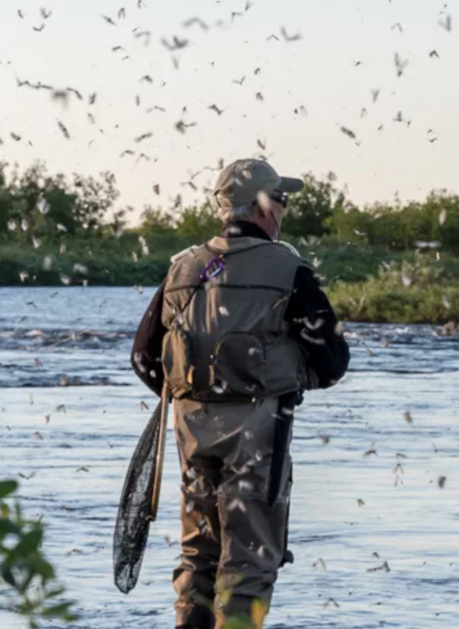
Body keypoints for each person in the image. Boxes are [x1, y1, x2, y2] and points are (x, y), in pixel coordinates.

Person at [130, 159, 350, 629]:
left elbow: (143, 359)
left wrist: (196, 396)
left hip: (190, 433)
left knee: (199, 562)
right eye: (282, 200)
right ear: (265, 207)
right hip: (259, 434)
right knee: (249, 565)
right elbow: (333, 362)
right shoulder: (290, 270)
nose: (285, 209)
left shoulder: (183, 269)